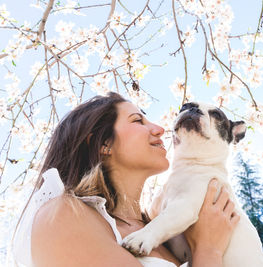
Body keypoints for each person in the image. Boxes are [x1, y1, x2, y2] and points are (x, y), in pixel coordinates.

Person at [12, 92, 240, 267]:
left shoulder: (166, 232)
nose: (160, 129)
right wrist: (208, 250)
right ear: (104, 144)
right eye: (137, 121)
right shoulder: (63, 213)